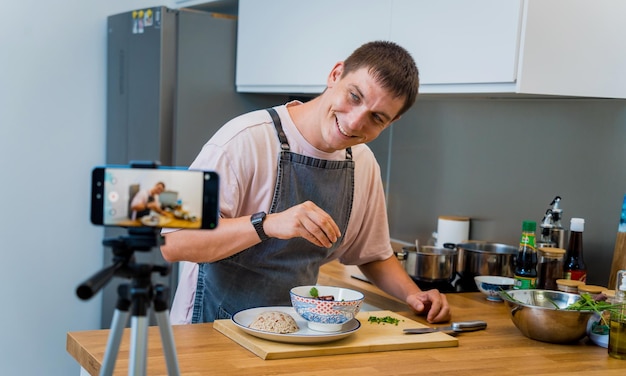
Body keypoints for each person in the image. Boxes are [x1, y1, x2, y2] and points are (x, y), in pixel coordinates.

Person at [161, 40, 451, 324]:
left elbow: (372, 254)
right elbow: (174, 241)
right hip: (209, 329)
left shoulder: (363, 163)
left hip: (297, 331)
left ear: (392, 122)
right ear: (335, 74)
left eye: (376, 118)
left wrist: (415, 295)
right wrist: (268, 224)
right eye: (354, 96)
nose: (353, 123)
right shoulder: (240, 138)